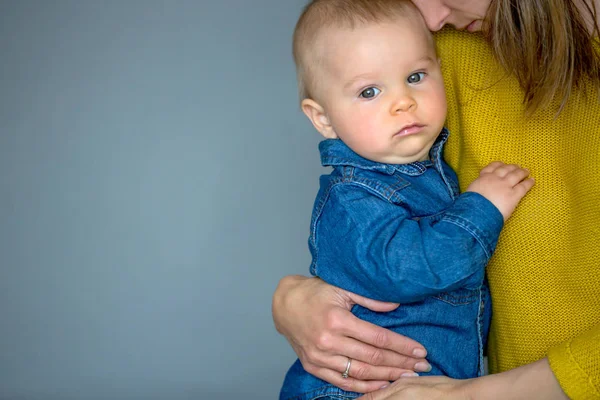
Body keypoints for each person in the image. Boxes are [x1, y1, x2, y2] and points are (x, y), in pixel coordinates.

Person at [273, 0, 600, 399]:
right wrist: (482, 207)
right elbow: (410, 266)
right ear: (322, 118)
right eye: (370, 91)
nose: (403, 102)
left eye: (416, 77)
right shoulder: (356, 192)